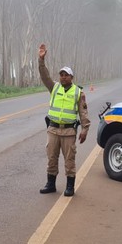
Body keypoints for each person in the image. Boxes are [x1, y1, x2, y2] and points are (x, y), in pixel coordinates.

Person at [38, 43, 90, 196]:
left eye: (66, 75)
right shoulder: (54, 87)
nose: (63, 77)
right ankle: (51, 184)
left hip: (68, 132)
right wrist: (41, 60)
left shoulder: (78, 92)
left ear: (71, 77)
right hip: (53, 130)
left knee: (69, 160)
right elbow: (44, 75)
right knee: (52, 158)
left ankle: (69, 187)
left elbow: (84, 112)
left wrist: (85, 130)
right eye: (61, 74)